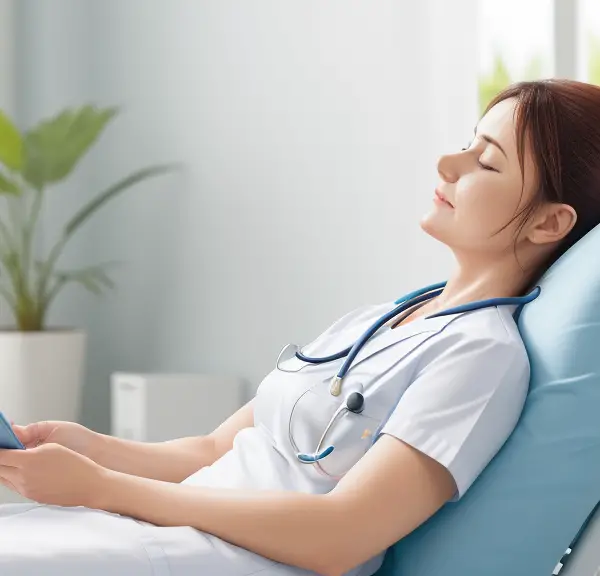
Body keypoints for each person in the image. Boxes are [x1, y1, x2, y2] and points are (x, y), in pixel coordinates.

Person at [1, 78, 600, 576]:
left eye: (485, 161)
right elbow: (215, 450)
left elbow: (342, 537)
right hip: (169, 531)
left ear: (549, 224)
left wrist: (101, 487)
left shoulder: (481, 360)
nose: (448, 163)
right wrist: (89, 448)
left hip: (229, 559)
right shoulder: (382, 319)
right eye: (468, 143)